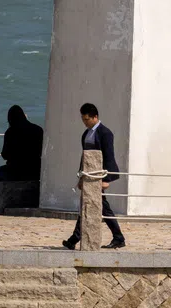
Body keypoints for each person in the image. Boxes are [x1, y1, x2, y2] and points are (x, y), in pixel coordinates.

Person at [61, 103, 125, 250]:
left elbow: (108, 156)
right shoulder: (86, 134)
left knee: (97, 206)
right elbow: (84, 157)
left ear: (95, 117)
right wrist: (81, 177)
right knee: (95, 206)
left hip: (99, 177)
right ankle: (117, 237)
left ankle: (75, 239)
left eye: (87, 119)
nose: (85, 122)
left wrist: (106, 179)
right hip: (89, 176)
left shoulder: (105, 133)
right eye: (83, 119)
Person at [0, 105, 44, 183]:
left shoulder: (10, 132)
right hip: (35, 172)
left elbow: (5, 155)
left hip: (15, 172)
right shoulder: (38, 130)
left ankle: (3, 193)